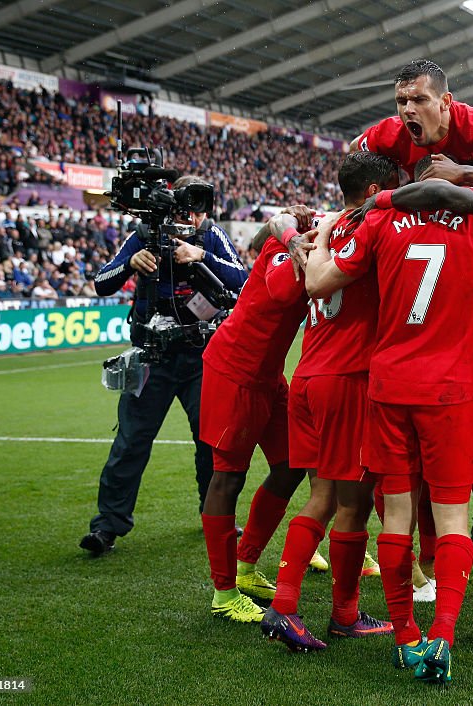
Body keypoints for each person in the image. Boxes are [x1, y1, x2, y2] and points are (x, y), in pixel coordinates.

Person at [304, 157, 473, 684]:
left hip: (389, 385)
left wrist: (316, 241)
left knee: (397, 516)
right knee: (453, 521)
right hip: (450, 390)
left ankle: (405, 636)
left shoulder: (382, 220)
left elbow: (320, 282)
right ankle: (443, 636)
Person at [260, 152, 399, 651]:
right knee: (348, 503)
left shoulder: (324, 227)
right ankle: (303, 608)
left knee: (324, 496)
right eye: (391, 187)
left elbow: (274, 224)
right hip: (347, 379)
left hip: (309, 374)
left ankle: (318, 609)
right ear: (372, 192)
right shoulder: (374, 226)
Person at [80, 175, 248, 555]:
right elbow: (101, 281)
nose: (191, 216)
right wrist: (130, 265)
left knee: (211, 443)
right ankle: (107, 527)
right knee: (130, 443)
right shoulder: (142, 235)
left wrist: (200, 256)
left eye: (197, 208)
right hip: (152, 357)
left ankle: (216, 516)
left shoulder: (211, 237)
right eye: (185, 207)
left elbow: (244, 282)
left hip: (201, 356)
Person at [197, 209, 313, 623]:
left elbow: (285, 216)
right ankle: (224, 593)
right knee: (227, 476)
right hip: (235, 372)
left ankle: (245, 566)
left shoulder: (318, 233)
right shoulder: (285, 245)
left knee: (290, 465)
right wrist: (298, 243)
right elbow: (283, 286)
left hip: (268, 376)